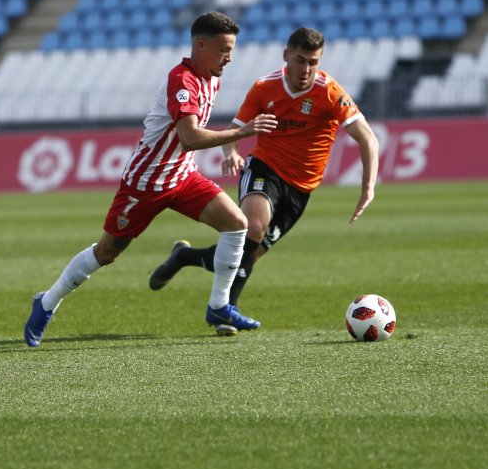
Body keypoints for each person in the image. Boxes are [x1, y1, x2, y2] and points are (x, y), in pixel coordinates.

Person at [24, 12, 278, 347]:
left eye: (231, 50)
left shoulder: (212, 77)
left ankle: (219, 307)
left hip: (182, 175)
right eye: (224, 50)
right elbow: (188, 137)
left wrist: (229, 146)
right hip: (146, 183)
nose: (229, 58)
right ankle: (46, 303)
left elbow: (187, 143)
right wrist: (239, 133)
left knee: (236, 224)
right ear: (201, 46)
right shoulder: (182, 80)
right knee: (107, 252)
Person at [147, 27, 379, 330]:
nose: (306, 69)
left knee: (248, 255)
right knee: (252, 227)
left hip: (301, 188)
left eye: (313, 62)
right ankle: (224, 310)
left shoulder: (329, 92)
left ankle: (184, 256)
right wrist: (230, 152)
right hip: (264, 169)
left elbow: (368, 139)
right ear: (286, 57)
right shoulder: (265, 87)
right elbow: (238, 126)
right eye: (300, 60)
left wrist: (367, 187)